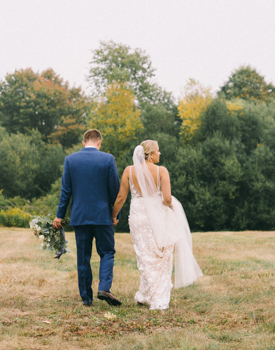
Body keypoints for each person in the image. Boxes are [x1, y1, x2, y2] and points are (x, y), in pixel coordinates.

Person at [111, 140, 202, 310]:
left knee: (145, 256)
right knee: (160, 255)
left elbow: (121, 198)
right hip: (158, 217)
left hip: (138, 218)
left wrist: (113, 215)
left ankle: (146, 294)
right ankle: (157, 297)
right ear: (150, 154)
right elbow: (167, 199)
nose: (160, 154)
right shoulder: (161, 171)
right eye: (158, 151)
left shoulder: (129, 171)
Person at [53, 129, 122, 307]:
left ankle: (87, 298)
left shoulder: (70, 160)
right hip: (102, 216)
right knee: (107, 252)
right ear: (99, 142)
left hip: (80, 216)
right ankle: (104, 287)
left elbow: (66, 191)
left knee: (83, 257)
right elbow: (115, 190)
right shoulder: (108, 159)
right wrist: (116, 214)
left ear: (84, 143)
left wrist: (59, 215)